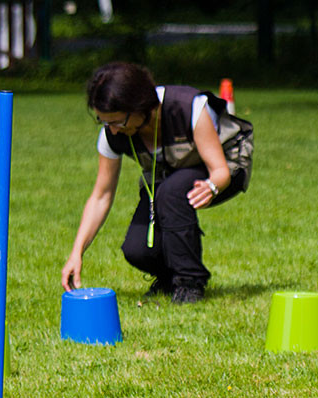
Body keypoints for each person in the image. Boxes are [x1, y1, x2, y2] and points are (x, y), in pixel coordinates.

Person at [62, 62, 252, 304]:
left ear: (140, 107)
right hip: (168, 174)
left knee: (172, 192)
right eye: (104, 121)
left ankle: (189, 283)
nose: (113, 130)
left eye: (118, 122)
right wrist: (76, 253)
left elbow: (221, 172)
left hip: (224, 164)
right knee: (137, 250)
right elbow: (101, 196)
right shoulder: (112, 135)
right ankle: (168, 278)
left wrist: (212, 187)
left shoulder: (188, 108)